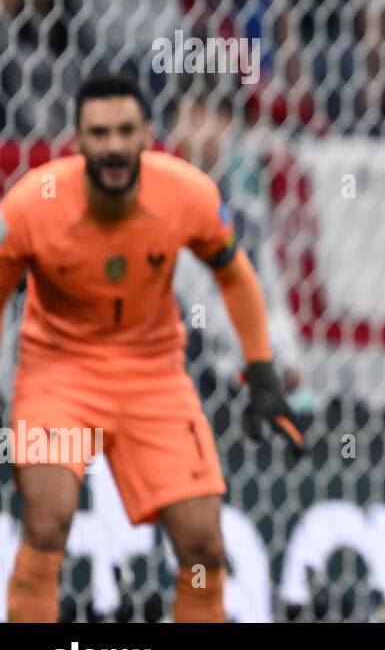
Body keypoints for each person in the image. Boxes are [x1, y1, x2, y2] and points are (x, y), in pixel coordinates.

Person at [0, 75, 303, 622]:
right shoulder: (31, 206)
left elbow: (235, 275)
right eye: (99, 133)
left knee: (204, 545)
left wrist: (261, 373)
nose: (113, 146)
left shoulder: (186, 195)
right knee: (46, 524)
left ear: (146, 135)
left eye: (124, 131)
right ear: (77, 141)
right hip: (57, 372)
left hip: (153, 375)